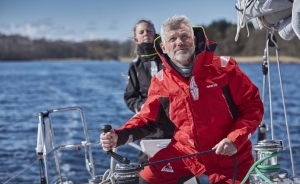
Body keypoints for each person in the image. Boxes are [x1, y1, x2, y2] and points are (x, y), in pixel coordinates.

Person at [101, 15, 264, 184]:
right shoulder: (160, 81)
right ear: (163, 47)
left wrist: (234, 140)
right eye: (172, 39)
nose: (179, 42)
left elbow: (252, 107)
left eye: (184, 36)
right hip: (186, 152)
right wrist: (119, 136)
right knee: (147, 178)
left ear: (193, 40)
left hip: (228, 152)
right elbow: (148, 119)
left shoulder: (224, 68)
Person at [124, 19, 175, 163]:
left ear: (155, 34)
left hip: (176, 128)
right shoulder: (135, 66)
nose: (146, 34)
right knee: (148, 172)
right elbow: (130, 97)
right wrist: (143, 106)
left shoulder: (170, 59)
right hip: (149, 130)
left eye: (149, 31)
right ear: (136, 38)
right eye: (142, 32)